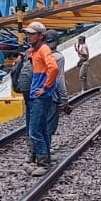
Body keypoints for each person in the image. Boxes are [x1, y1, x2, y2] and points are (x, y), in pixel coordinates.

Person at [24, 21, 59, 171]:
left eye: (32, 34)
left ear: (41, 35)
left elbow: (54, 68)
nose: (28, 36)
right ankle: (45, 159)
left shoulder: (44, 49)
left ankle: (42, 163)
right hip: (37, 95)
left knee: (34, 131)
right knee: (43, 129)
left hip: (39, 96)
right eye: (28, 33)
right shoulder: (35, 50)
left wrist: (45, 88)